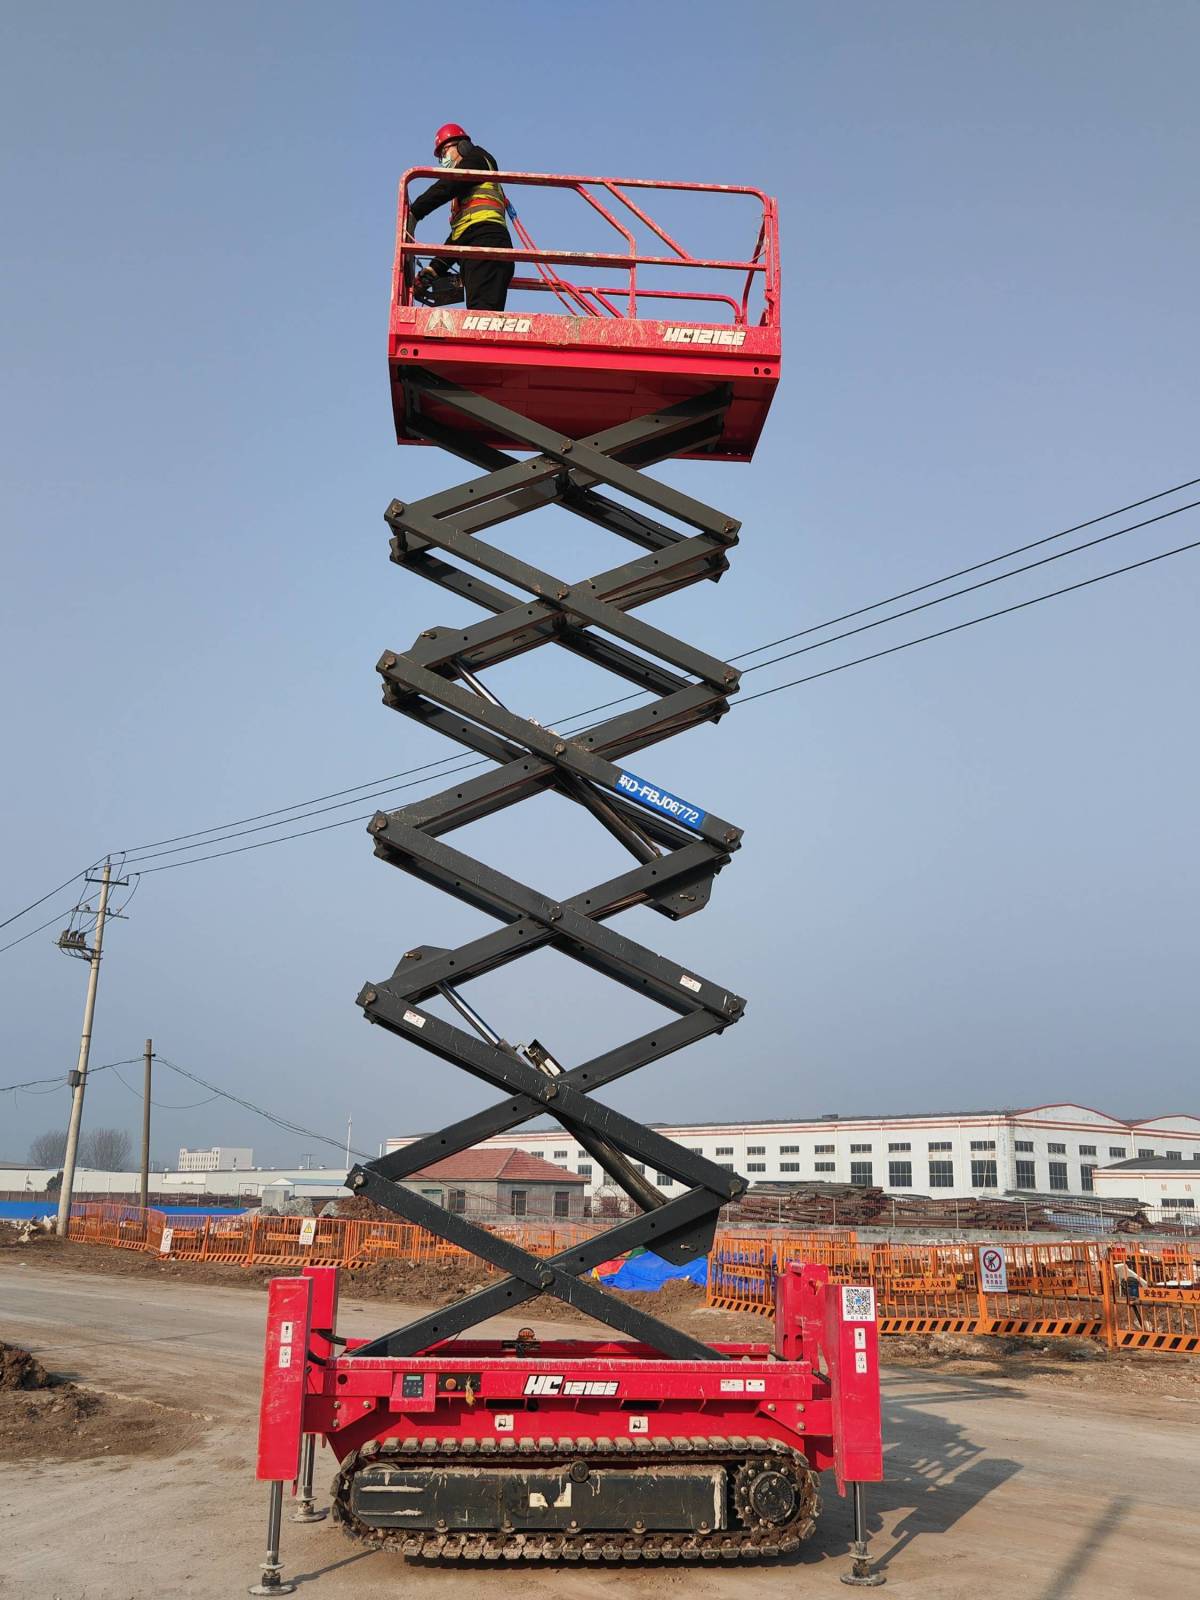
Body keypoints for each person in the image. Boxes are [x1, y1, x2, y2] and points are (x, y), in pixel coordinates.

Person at [409, 124, 515, 311]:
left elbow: (447, 186)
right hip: (479, 247)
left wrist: (415, 211)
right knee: (479, 316)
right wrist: (434, 269)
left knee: (482, 318)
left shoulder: (478, 158)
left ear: (462, 146)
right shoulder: (469, 199)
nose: (443, 160)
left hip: (487, 247)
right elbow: (462, 235)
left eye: (444, 152)